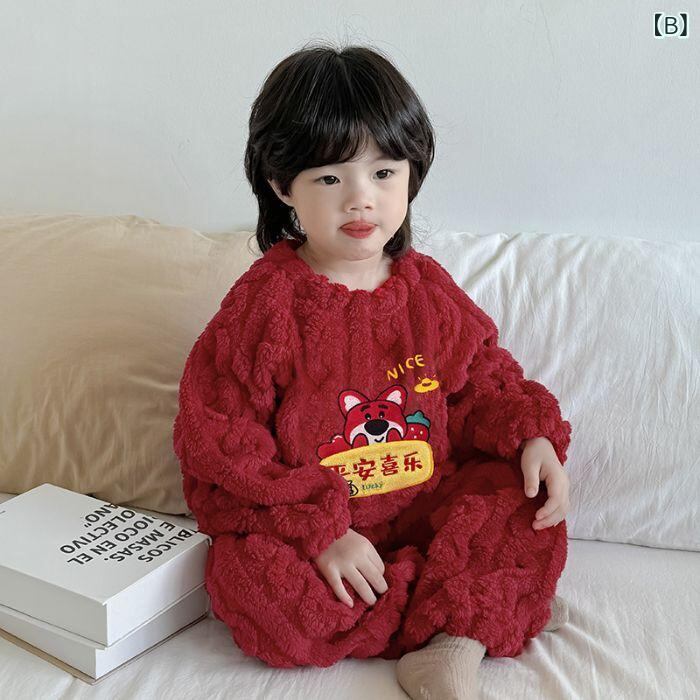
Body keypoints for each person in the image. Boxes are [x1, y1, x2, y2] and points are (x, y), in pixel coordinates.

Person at [172, 41, 572, 699]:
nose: (361, 200)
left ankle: (451, 638)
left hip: (426, 508)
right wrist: (321, 532)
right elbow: (220, 443)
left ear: (411, 177)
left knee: (525, 497)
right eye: (330, 179)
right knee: (250, 582)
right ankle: (461, 608)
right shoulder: (264, 308)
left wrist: (530, 434)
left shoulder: (427, 289)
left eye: (384, 173)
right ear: (282, 185)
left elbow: (481, 379)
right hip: (318, 535)